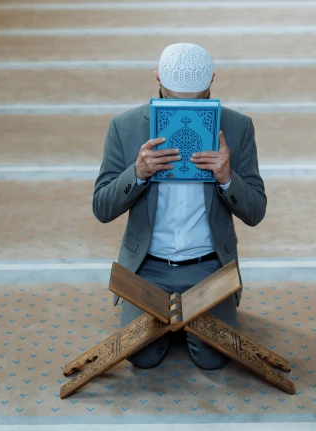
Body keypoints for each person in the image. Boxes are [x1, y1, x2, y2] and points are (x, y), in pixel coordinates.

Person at [93, 42, 267, 369]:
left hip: (209, 268)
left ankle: (180, 321)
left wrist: (228, 178)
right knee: (141, 358)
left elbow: (256, 211)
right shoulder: (125, 126)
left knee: (213, 360)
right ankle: (175, 321)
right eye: (173, 102)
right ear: (157, 78)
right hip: (148, 268)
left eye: (198, 102)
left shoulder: (238, 126)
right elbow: (101, 208)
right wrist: (138, 173)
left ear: (212, 81)